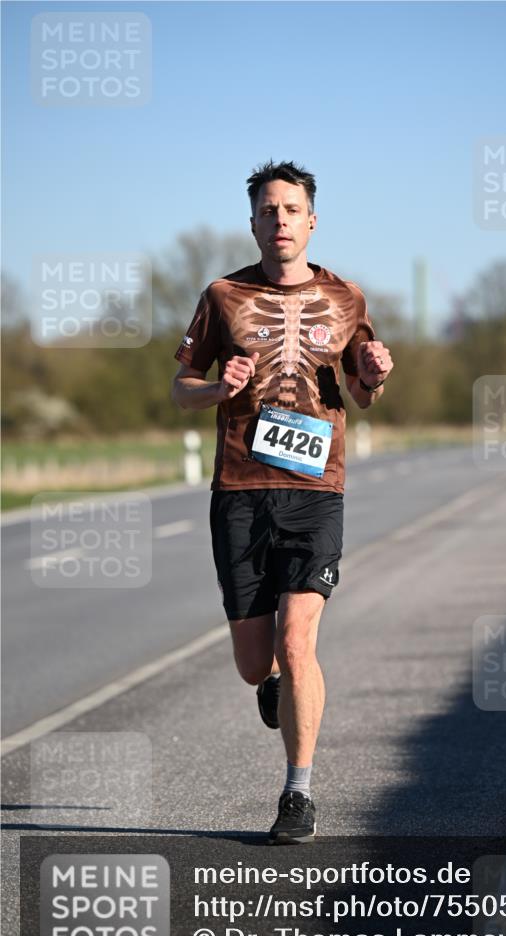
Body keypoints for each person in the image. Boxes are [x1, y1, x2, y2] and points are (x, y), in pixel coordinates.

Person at [171, 160, 393, 844]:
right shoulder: (223, 294)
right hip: (239, 489)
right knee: (253, 662)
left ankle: (297, 793)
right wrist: (216, 388)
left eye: (290, 210)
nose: (279, 221)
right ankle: (269, 684)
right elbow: (182, 383)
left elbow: (362, 388)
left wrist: (377, 374)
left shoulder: (346, 297)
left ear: (311, 220)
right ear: (253, 223)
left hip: (315, 491)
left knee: (299, 643)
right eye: (267, 211)